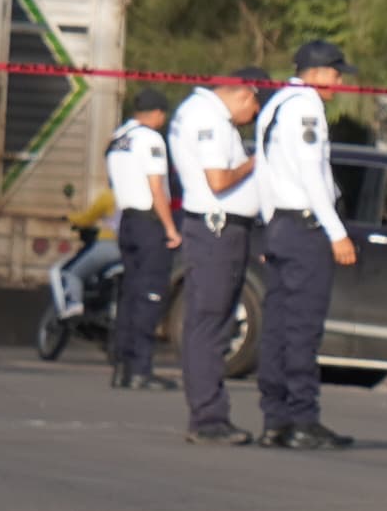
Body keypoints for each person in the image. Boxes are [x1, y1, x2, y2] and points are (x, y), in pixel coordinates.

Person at [244, 40, 360, 452]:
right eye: (335, 72)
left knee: (277, 325)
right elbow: (312, 174)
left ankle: (275, 418)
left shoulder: (274, 105)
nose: (339, 81)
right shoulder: (307, 106)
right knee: (302, 327)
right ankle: (303, 419)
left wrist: (267, 223)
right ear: (315, 72)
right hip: (306, 227)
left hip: (281, 225)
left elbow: (264, 169)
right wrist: (336, 231)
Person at [167, 68, 265, 444]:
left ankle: (207, 413)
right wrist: (254, 162)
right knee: (211, 324)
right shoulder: (208, 118)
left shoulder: (197, 110)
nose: (254, 113)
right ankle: (208, 418)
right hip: (217, 229)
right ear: (245, 93)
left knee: (206, 323)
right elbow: (219, 180)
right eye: (255, 104)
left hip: (214, 228)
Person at [99, 88, 176, 391]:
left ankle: (122, 367)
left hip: (127, 220)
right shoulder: (151, 139)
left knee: (129, 296)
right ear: (157, 113)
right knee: (149, 296)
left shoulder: (118, 139)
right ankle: (141, 369)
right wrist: (170, 227)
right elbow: (156, 187)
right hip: (148, 223)